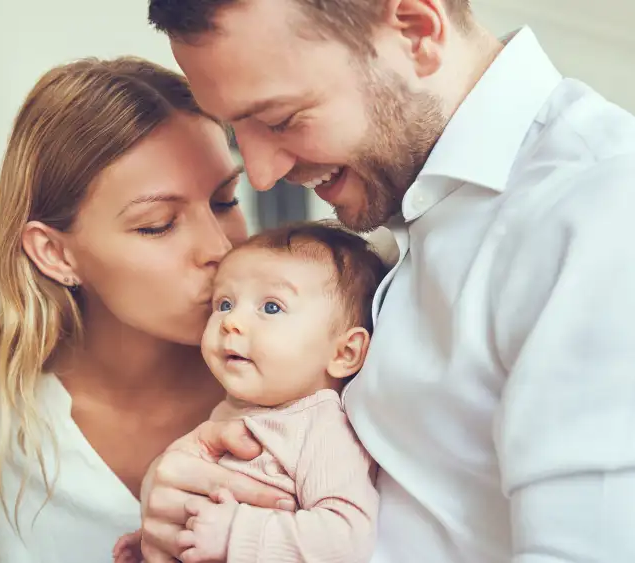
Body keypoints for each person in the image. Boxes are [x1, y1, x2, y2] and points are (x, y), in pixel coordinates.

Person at [141, 0, 635, 561]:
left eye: (281, 119)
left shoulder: (603, 210)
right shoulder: (412, 210)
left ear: (417, 31)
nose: (261, 172)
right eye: (237, 129)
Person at [0, 56, 304, 563]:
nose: (219, 247)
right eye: (158, 224)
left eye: (225, 201)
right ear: (55, 253)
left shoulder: (309, 367)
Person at [113, 221, 387, 563]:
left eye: (271, 307)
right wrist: (166, 540)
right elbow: (208, 510)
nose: (231, 322)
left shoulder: (323, 428)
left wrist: (234, 533)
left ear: (343, 353)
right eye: (224, 303)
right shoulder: (231, 415)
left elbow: (346, 539)